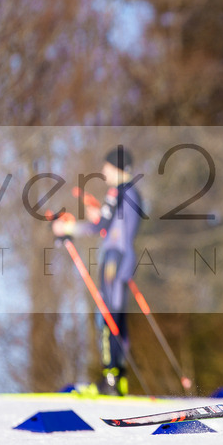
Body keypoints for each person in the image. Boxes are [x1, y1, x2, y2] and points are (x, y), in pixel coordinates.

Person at [53, 146, 144, 396]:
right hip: (123, 257)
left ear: (117, 167)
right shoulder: (131, 193)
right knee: (115, 317)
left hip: (115, 258)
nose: (104, 172)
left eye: (107, 167)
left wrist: (68, 229)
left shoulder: (119, 191)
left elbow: (102, 225)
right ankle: (117, 379)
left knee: (107, 318)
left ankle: (111, 380)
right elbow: (113, 223)